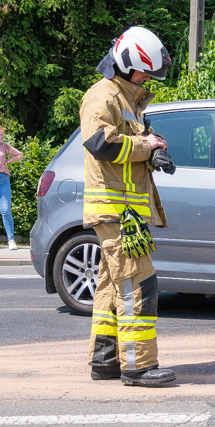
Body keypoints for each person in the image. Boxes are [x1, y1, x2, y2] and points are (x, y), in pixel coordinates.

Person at [81, 26, 177, 386]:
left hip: (127, 211)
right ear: (124, 64)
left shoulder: (128, 100)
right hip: (116, 211)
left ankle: (105, 361)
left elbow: (131, 147)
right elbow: (100, 144)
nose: (147, 78)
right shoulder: (101, 96)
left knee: (111, 288)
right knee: (139, 284)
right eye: (144, 71)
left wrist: (154, 155)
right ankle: (138, 366)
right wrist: (145, 148)